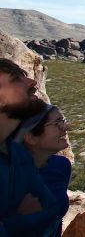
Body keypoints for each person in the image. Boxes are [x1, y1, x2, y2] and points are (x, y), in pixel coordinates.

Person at [0, 58, 60, 237]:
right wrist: (20, 220)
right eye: (16, 79)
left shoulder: (17, 154)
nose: (33, 82)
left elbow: (50, 212)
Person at [14, 104, 72, 237]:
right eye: (57, 123)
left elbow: (56, 222)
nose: (66, 128)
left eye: (63, 121)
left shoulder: (61, 166)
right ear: (31, 138)